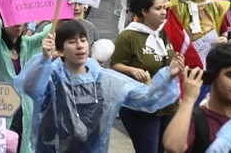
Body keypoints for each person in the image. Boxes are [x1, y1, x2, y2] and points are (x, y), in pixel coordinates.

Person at [14, 21, 184, 153]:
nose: (80, 45)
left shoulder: (104, 78)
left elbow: (145, 97)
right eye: (72, 42)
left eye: (83, 40)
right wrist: (44, 59)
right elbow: (30, 87)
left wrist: (169, 75)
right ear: (61, 50)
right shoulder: (51, 77)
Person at [0, 0, 52, 153]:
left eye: (21, 18)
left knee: (21, 145)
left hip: (22, 111)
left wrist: (65, 9)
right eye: (12, 18)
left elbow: (50, 33)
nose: (18, 24)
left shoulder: (27, 45)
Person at [111, 0, 177, 153]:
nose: (164, 12)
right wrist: (132, 69)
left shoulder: (167, 32)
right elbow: (114, 65)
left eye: (164, 7)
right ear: (144, 11)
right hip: (141, 106)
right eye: (158, 8)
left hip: (169, 104)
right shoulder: (129, 37)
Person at [163, 44, 231, 153]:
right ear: (212, 77)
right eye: (230, 75)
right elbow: (173, 146)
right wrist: (188, 99)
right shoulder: (197, 120)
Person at [165, 0, 230, 71]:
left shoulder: (217, 6)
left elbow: (224, 32)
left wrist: (224, 38)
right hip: (184, 63)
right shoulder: (176, 7)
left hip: (210, 62)